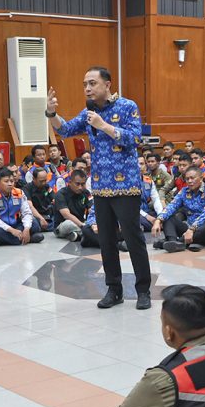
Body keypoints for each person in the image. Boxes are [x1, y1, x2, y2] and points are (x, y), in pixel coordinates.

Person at [48, 67, 151, 310]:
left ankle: (143, 290)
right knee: (106, 241)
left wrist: (104, 126)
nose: (87, 88)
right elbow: (64, 129)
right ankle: (114, 290)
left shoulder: (127, 106)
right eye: (85, 84)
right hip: (101, 187)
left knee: (133, 239)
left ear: (107, 84)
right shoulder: (88, 112)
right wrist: (51, 112)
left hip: (126, 186)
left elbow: (136, 138)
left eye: (92, 83)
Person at [153, 167, 205, 254]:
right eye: (187, 179)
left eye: (192, 178)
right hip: (189, 231)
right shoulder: (184, 191)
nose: (190, 181)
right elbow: (172, 206)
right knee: (169, 217)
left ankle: (176, 242)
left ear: (201, 178)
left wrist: (192, 229)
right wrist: (158, 220)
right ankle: (172, 242)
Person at [0, 170, 44, 246]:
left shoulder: (19, 193)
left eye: (12, 181)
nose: (10, 184)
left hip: (16, 225)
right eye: (6, 181)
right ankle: (27, 239)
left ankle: (2, 241)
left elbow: (26, 212)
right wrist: (11, 230)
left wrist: (26, 229)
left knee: (35, 223)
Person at [53, 170, 92, 242]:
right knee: (69, 224)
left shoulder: (86, 192)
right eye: (77, 184)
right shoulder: (61, 194)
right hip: (63, 225)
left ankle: (78, 235)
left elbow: (91, 209)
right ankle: (88, 234)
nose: (80, 187)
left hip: (81, 222)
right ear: (70, 183)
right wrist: (83, 226)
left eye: (83, 184)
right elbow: (66, 215)